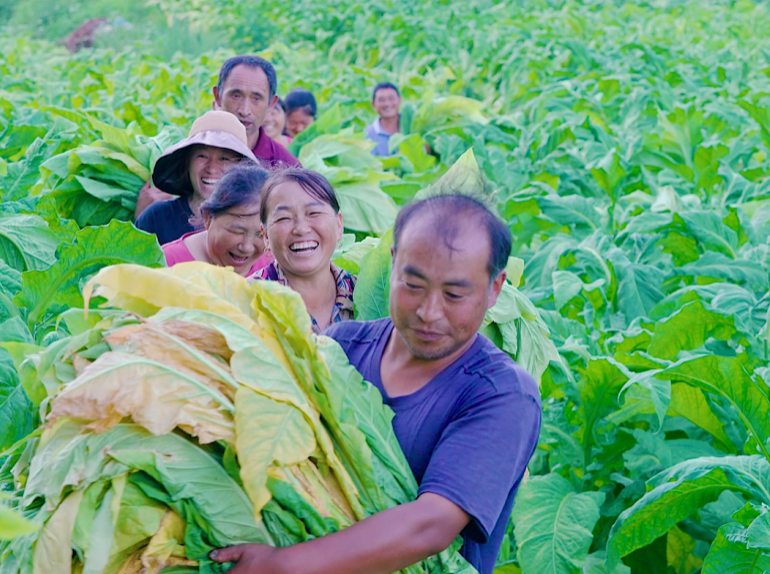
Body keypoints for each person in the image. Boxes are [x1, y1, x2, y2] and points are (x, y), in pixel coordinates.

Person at [212, 194, 542, 574]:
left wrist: (284, 564)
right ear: (393, 264)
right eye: (413, 285)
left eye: (454, 294)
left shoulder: (501, 393)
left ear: (494, 288)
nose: (429, 311)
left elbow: (432, 524)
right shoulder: (340, 347)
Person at [136, 55, 301, 218]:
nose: (244, 110)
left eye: (256, 98)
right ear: (217, 96)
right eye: (236, 95)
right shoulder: (183, 155)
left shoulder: (285, 167)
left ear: (271, 103)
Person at [249, 169, 354, 332]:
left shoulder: (365, 294)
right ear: (266, 236)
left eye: (314, 213)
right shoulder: (246, 299)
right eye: (284, 218)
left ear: (339, 225)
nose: (301, 229)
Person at [135, 110, 256, 245]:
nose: (212, 169)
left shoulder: (253, 223)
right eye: (202, 156)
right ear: (188, 162)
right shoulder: (156, 217)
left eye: (224, 159)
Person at [161, 165, 273, 277]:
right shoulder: (166, 264)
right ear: (208, 218)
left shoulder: (276, 265)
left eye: (260, 234)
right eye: (237, 231)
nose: (247, 247)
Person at [365, 82, 402, 156]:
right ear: (373, 105)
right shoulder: (368, 135)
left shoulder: (412, 124)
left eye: (391, 98)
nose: (387, 103)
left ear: (400, 100)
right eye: (382, 100)